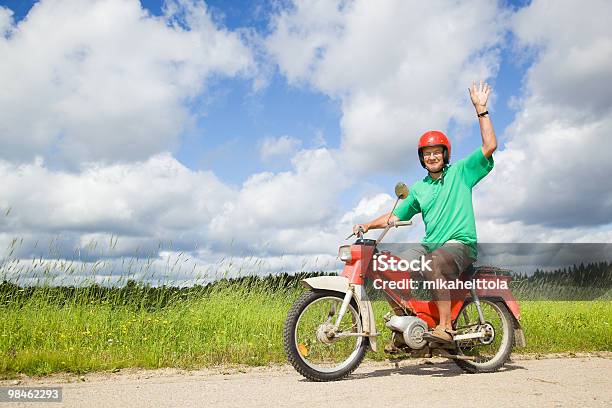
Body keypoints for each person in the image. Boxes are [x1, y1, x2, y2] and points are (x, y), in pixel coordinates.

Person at [352, 80, 497, 343]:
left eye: (436, 152)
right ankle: (404, 327)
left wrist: (481, 110)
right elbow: (394, 216)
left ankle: (445, 327)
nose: (432, 157)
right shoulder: (419, 188)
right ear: (422, 158)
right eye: (426, 153)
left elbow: (489, 146)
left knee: (433, 263)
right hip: (431, 246)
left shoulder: (461, 173)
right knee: (385, 266)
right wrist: (367, 225)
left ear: (445, 154)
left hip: (460, 244)